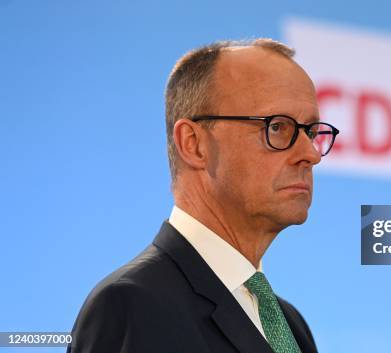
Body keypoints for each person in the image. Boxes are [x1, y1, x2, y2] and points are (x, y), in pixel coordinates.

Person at [67, 38, 339, 353]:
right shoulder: (131, 305)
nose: (311, 154)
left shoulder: (290, 324)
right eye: (278, 127)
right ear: (194, 144)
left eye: (311, 132)